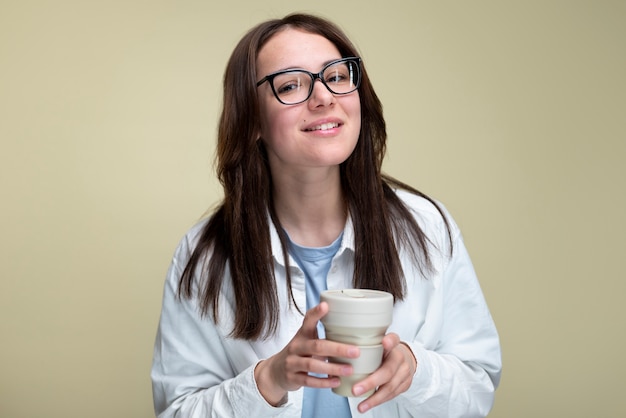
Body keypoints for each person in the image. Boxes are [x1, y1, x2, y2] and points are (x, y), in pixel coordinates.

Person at [151, 12, 501, 418]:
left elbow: (479, 389)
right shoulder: (204, 256)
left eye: (336, 76)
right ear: (252, 123)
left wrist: (417, 371)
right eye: (290, 85)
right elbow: (176, 411)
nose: (323, 97)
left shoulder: (427, 229)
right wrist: (268, 381)